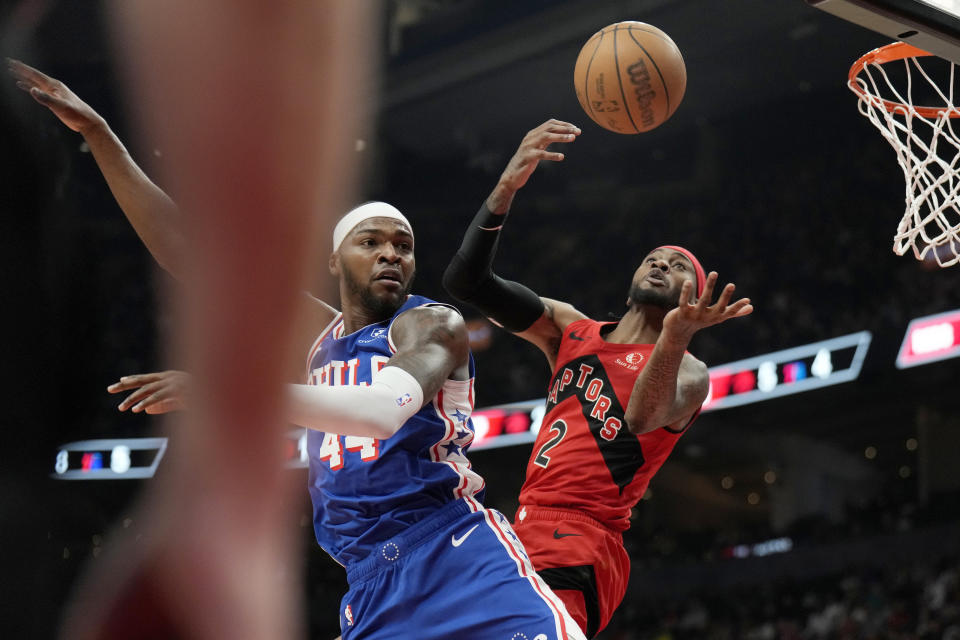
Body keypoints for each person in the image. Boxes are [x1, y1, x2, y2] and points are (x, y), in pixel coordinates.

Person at [10, 63, 584, 640]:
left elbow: (383, 412)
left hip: (455, 556)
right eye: (372, 242)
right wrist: (100, 136)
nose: (391, 254)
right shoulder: (318, 338)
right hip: (369, 585)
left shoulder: (432, 323)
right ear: (336, 261)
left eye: (403, 246)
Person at [442, 119, 754, 638]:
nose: (660, 264)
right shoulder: (569, 328)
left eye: (678, 266)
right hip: (519, 525)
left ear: (692, 296)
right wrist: (506, 186)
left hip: (585, 538)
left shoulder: (691, 371)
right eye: (654, 258)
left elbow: (641, 417)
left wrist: (674, 337)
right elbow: (466, 282)